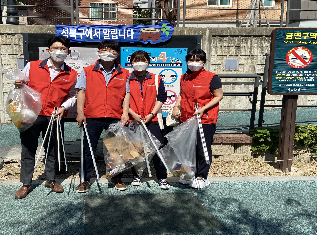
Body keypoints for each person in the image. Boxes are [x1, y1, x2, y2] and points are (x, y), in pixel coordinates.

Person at [14, 36, 78, 199]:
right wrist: (18, 84)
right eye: (55, 48)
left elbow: (73, 96)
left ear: (68, 52)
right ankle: (26, 183)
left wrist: (63, 108)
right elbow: (21, 86)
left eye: (63, 49)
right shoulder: (32, 66)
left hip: (54, 116)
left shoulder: (72, 74)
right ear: (48, 50)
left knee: (52, 150)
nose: (59, 51)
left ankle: (51, 179)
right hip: (31, 115)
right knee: (28, 149)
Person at [75, 40, 130, 193]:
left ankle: (116, 177)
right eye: (104, 49)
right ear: (98, 52)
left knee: (116, 149)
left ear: (117, 54)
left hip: (114, 116)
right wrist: (80, 112)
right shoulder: (87, 71)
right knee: (88, 149)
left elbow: (126, 94)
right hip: (92, 116)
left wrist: (125, 113)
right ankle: (84, 180)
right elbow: (81, 92)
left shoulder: (124, 73)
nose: (108, 53)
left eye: (112, 50)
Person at [171, 49, 223, 189]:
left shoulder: (212, 77)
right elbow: (182, 94)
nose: (194, 63)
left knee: (202, 148)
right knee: (187, 148)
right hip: (186, 118)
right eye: (191, 60)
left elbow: (218, 96)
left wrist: (203, 108)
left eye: (198, 60)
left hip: (204, 119)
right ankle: (189, 174)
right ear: (187, 61)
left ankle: (202, 176)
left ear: (204, 62)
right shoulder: (184, 77)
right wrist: (176, 106)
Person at [127, 50, 170, 190]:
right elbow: (121, 99)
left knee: (157, 148)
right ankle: (137, 175)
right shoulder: (126, 78)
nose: (140, 63)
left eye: (143, 60)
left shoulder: (156, 79)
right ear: (131, 63)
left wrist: (151, 114)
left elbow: (161, 98)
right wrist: (133, 114)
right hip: (133, 119)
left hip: (153, 120)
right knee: (136, 149)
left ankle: (162, 177)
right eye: (136, 60)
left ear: (148, 62)